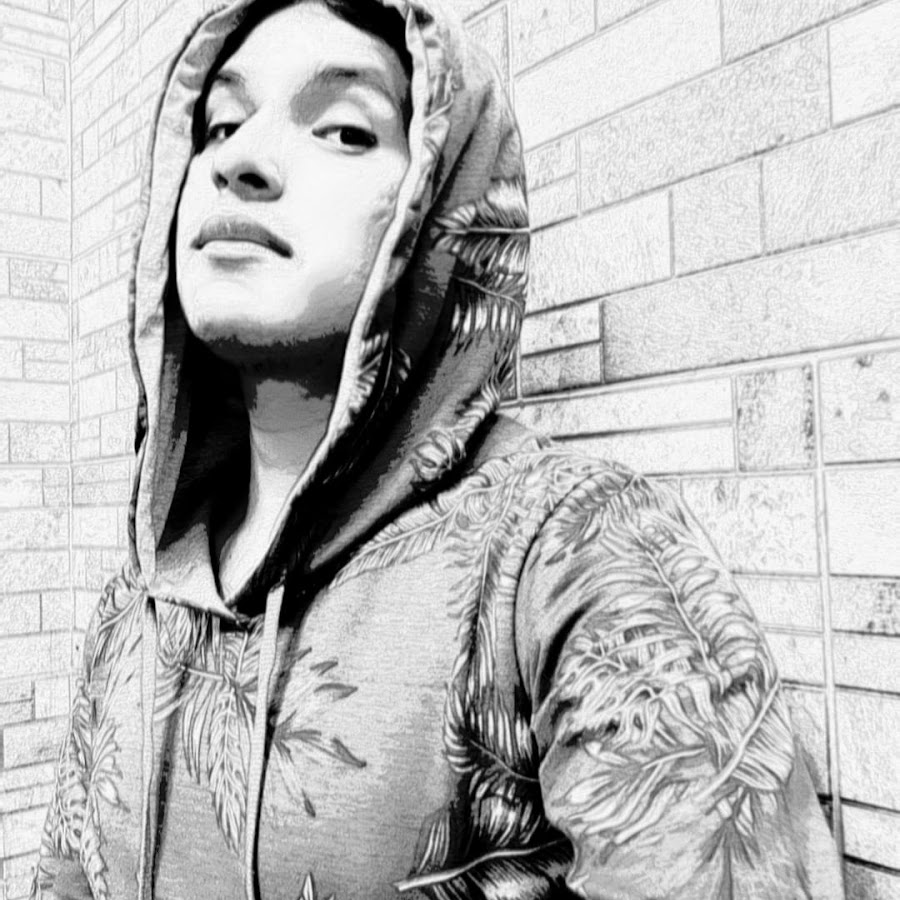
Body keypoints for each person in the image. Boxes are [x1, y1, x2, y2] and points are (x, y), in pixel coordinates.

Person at [31, 0, 844, 898]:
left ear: (444, 202)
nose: (238, 159)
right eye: (220, 124)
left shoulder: (572, 552)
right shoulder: (137, 600)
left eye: (345, 130)